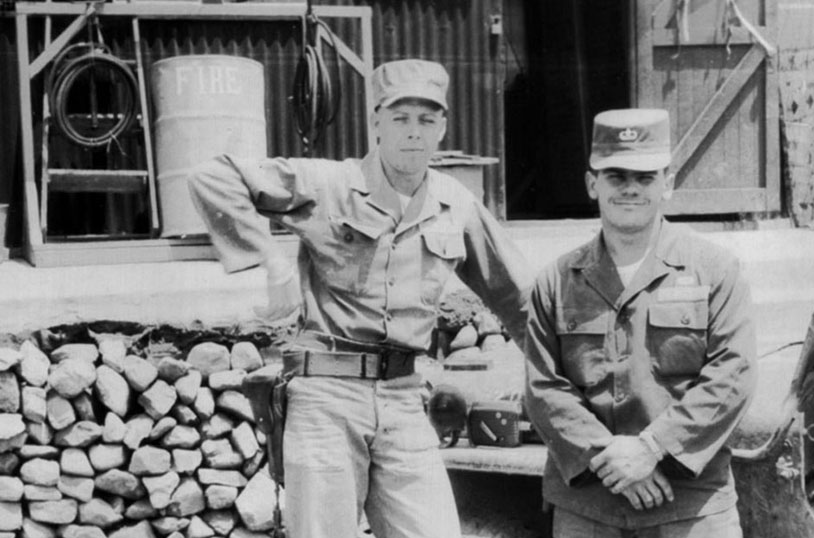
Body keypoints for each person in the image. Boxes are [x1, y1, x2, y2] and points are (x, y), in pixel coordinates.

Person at [187, 59, 531, 538]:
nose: (414, 132)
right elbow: (212, 175)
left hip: (405, 399)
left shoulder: (457, 204)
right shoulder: (327, 184)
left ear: (443, 127)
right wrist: (272, 259)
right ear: (376, 123)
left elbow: (519, 299)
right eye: (400, 118)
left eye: (427, 120)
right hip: (326, 396)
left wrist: (558, 381)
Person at [523, 108, 757, 537]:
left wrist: (652, 447)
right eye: (616, 177)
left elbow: (733, 374)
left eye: (645, 178)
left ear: (668, 184)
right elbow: (543, 388)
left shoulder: (714, 270)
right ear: (592, 183)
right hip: (589, 505)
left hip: (689, 502)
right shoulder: (556, 281)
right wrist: (614, 459)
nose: (630, 189)